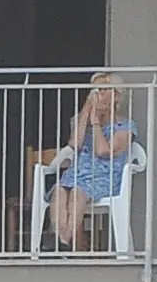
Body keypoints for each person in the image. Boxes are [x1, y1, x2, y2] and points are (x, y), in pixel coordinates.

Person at [45, 72, 140, 252]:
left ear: (117, 96)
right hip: (77, 173)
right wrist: (87, 111)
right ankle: (60, 241)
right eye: (96, 90)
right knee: (58, 191)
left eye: (104, 90)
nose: (99, 94)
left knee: (77, 194)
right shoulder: (82, 119)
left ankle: (63, 241)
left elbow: (103, 151)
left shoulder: (126, 126)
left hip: (104, 176)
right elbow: (74, 144)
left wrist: (96, 122)